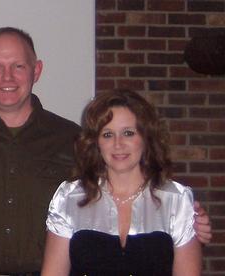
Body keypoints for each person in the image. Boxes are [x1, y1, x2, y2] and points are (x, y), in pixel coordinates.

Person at [0, 27, 212, 275]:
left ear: (36, 71)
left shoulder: (73, 138)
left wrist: (186, 217)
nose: (7, 76)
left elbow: (117, 185)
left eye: (18, 66)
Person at [41, 89, 202, 275]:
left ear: (146, 137)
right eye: (108, 134)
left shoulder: (176, 200)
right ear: (96, 142)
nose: (118, 144)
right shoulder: (69, 198)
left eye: (128, 133)